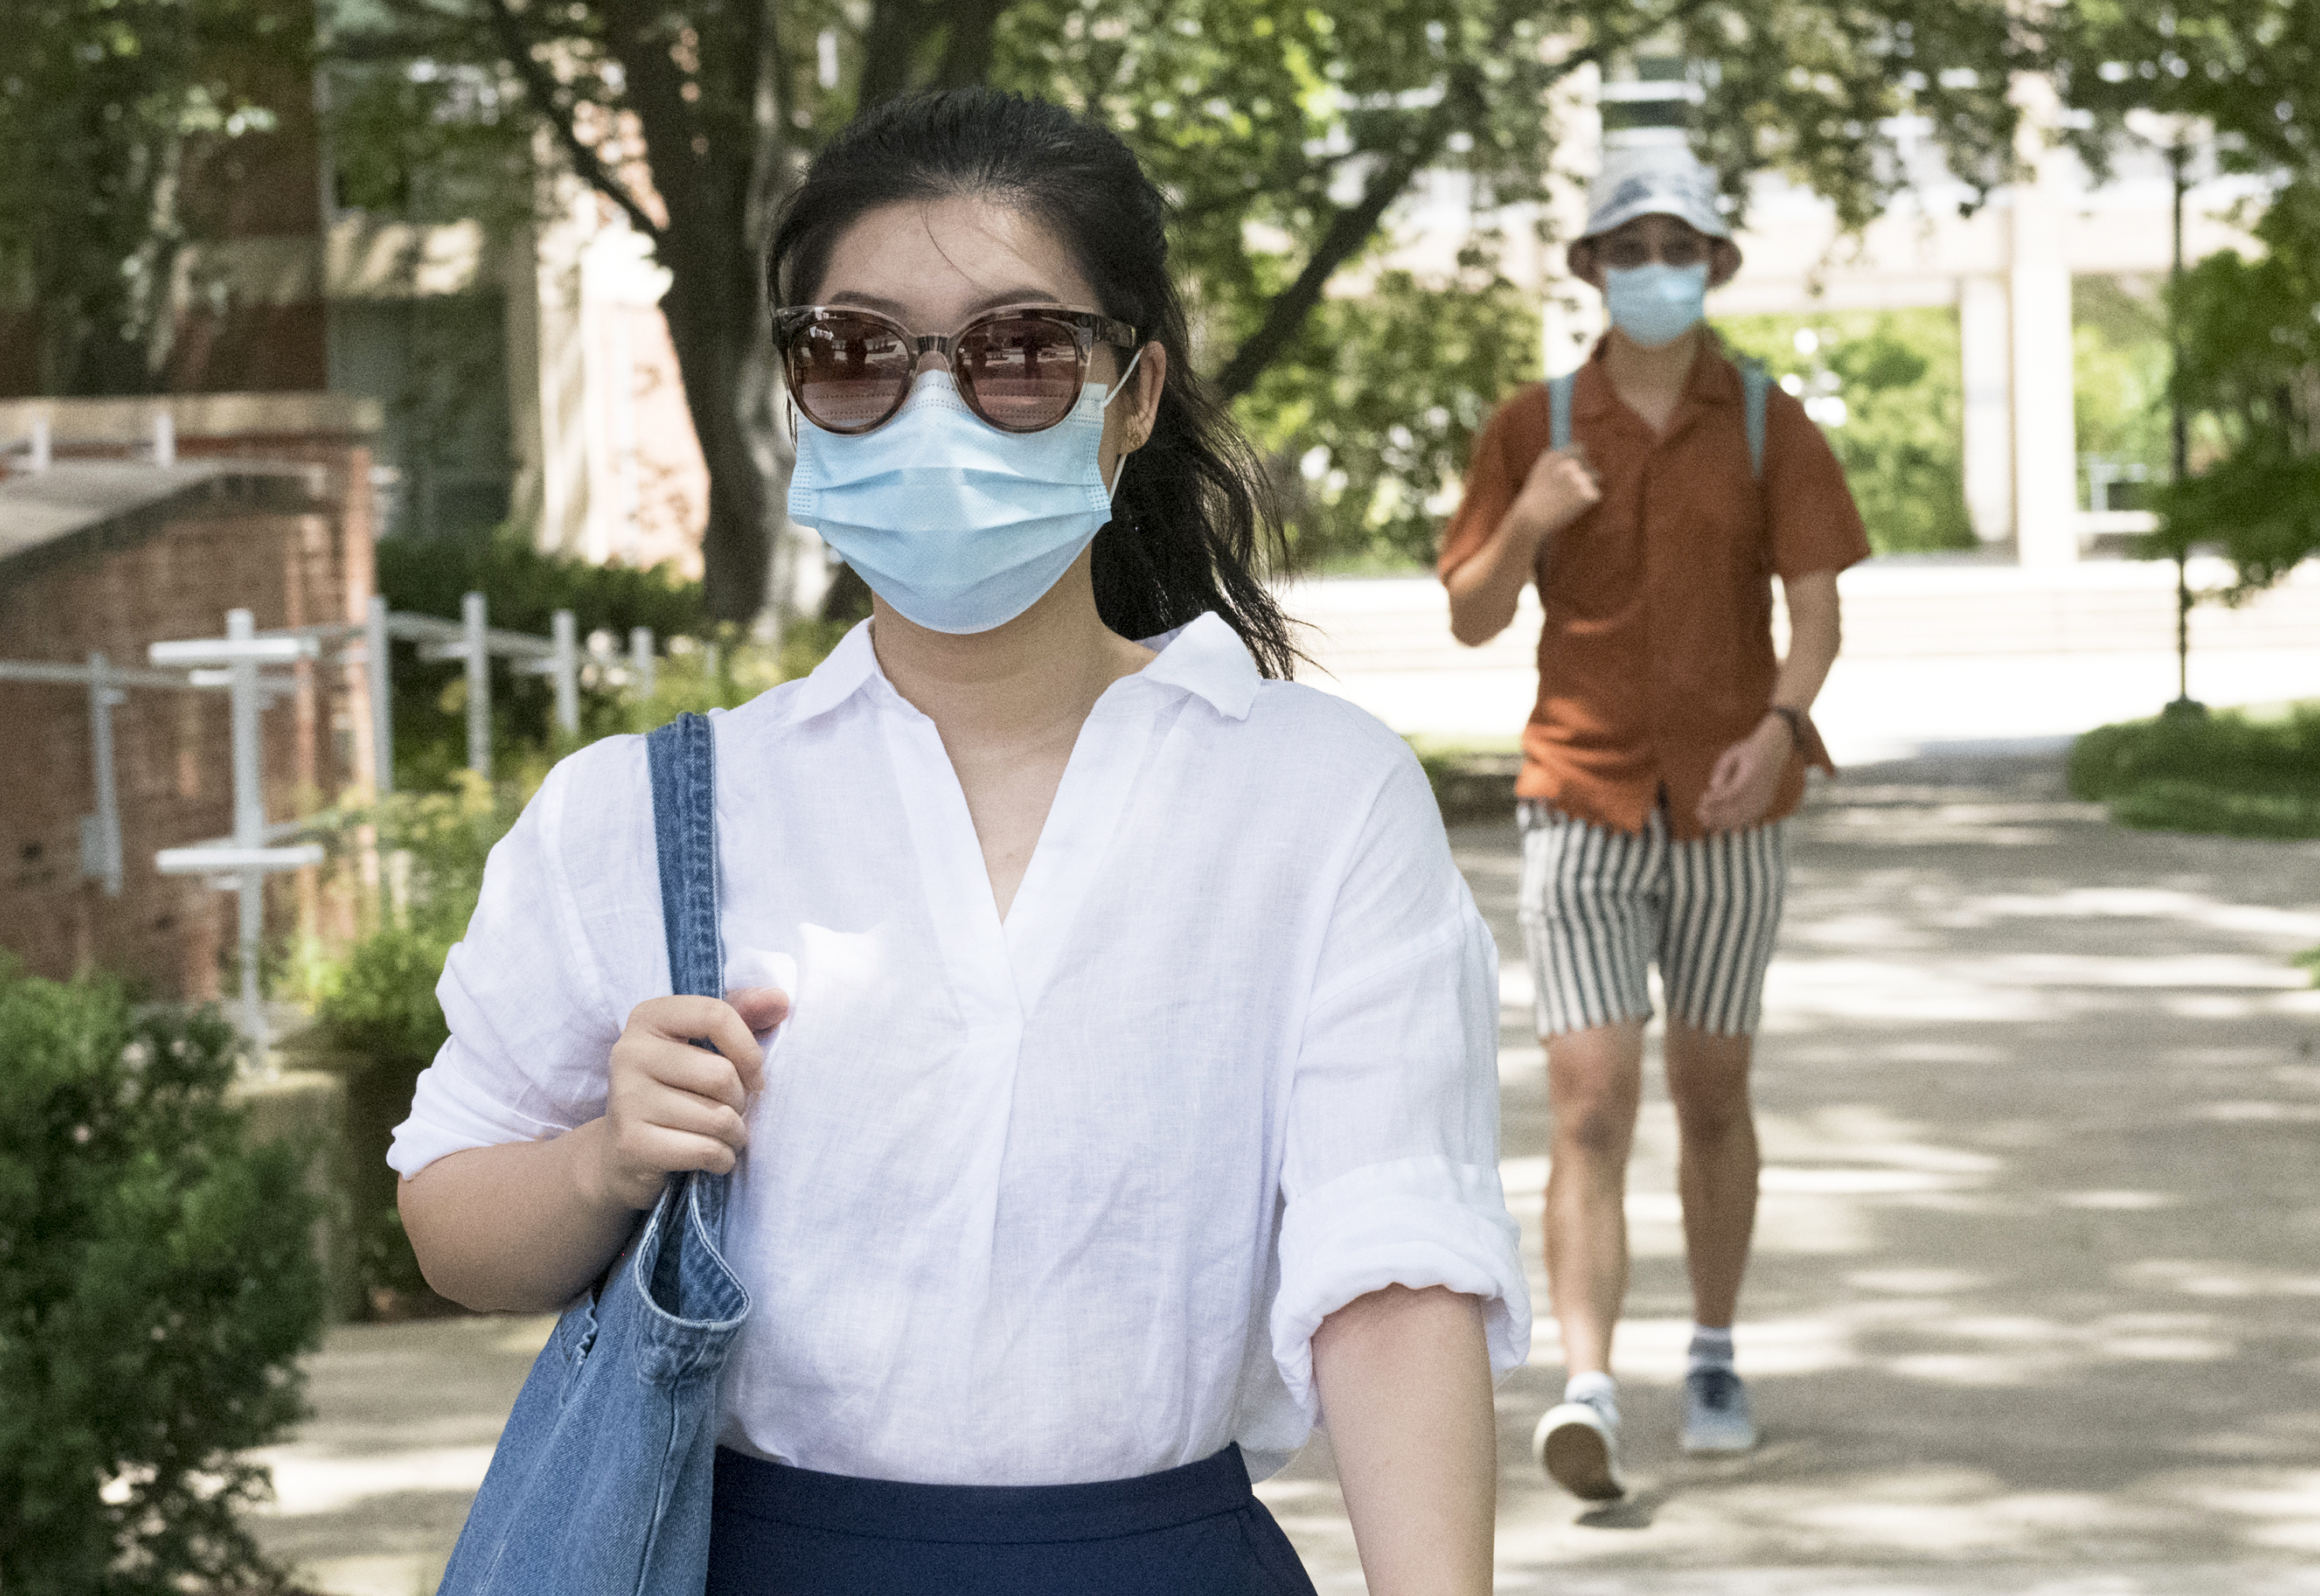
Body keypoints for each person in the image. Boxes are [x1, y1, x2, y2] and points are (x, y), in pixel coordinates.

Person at [391, 88, 1527, 1595]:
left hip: (1160, 1559)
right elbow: (450, 1215)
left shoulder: (1314, 800)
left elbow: (1391, 1273)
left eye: (1018, 350)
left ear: (1133, 394)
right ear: (799, 391)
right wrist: (606, 1158)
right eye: (857, 350)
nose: (934, 406)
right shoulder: (650, 809)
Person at [1438, 142, 1867, 1500]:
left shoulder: (1766, 421)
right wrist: (1532, 521)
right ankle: (1589, 1388)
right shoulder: (1534, 423)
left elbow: (1818, 614)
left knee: (1712, 1093)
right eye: (1632, 249)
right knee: (1590, 1101)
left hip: (1734, 804)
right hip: (1580, 793)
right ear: (1594, 268)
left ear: (1715, 265)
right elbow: (1470, 610)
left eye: (1680, 248)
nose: (1656, 271)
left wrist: (1778, 727)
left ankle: (1718, 1349)